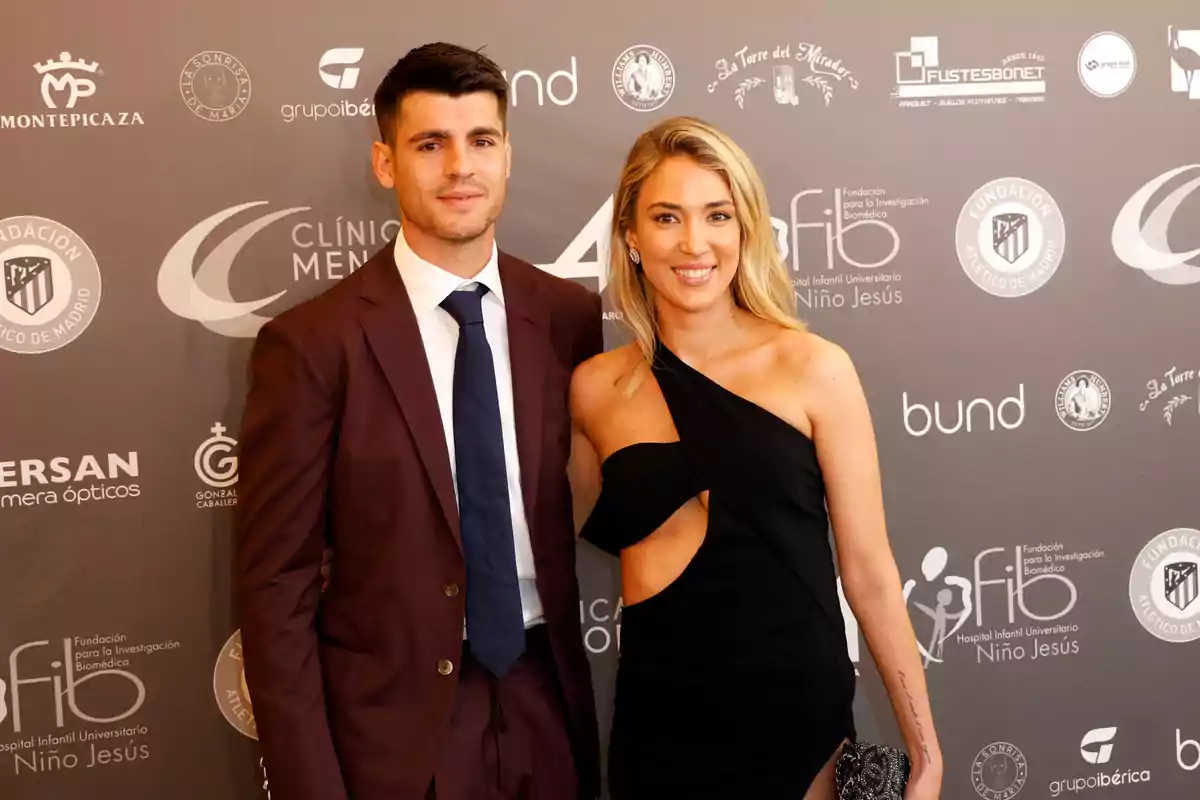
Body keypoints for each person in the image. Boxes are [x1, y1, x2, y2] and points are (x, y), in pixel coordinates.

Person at [234, 42, 603, 800]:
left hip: (547, 701)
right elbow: (277, 587)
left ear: (507, 157)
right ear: (384, 163)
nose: (459, 167)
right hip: (396, 736)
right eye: (430, 144)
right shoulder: (312, 344)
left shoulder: (567, 317)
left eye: (481, 141)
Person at [567, 116, 942, 799]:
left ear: (745, 229)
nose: (694, 242)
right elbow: (543, 528)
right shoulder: (595, 389)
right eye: (666, 217)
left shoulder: (813, 368)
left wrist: (927, 754)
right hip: (662, 728)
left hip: (795, 721)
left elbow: (868, 571)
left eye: (718, 215)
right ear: (630, 235)